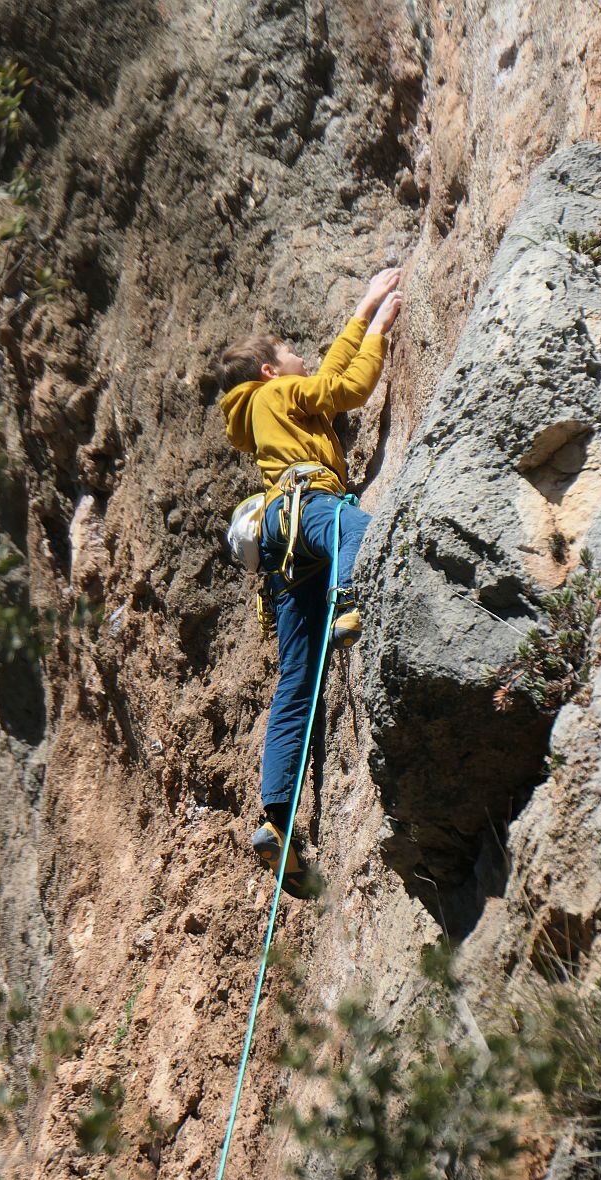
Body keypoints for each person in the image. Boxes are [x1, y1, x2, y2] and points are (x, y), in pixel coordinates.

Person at [217, 269, 402, 896]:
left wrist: (366, 305)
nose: (304, 355)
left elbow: (320, 381)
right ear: (272, 371)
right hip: (309, 506)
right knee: (363, 531)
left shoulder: (267, 410)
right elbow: (344, 386)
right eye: (292, 352)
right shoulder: (278, 397)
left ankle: (278, 818)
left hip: (280, 542)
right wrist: (377, 330)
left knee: (296, 682)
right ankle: (350, 600)